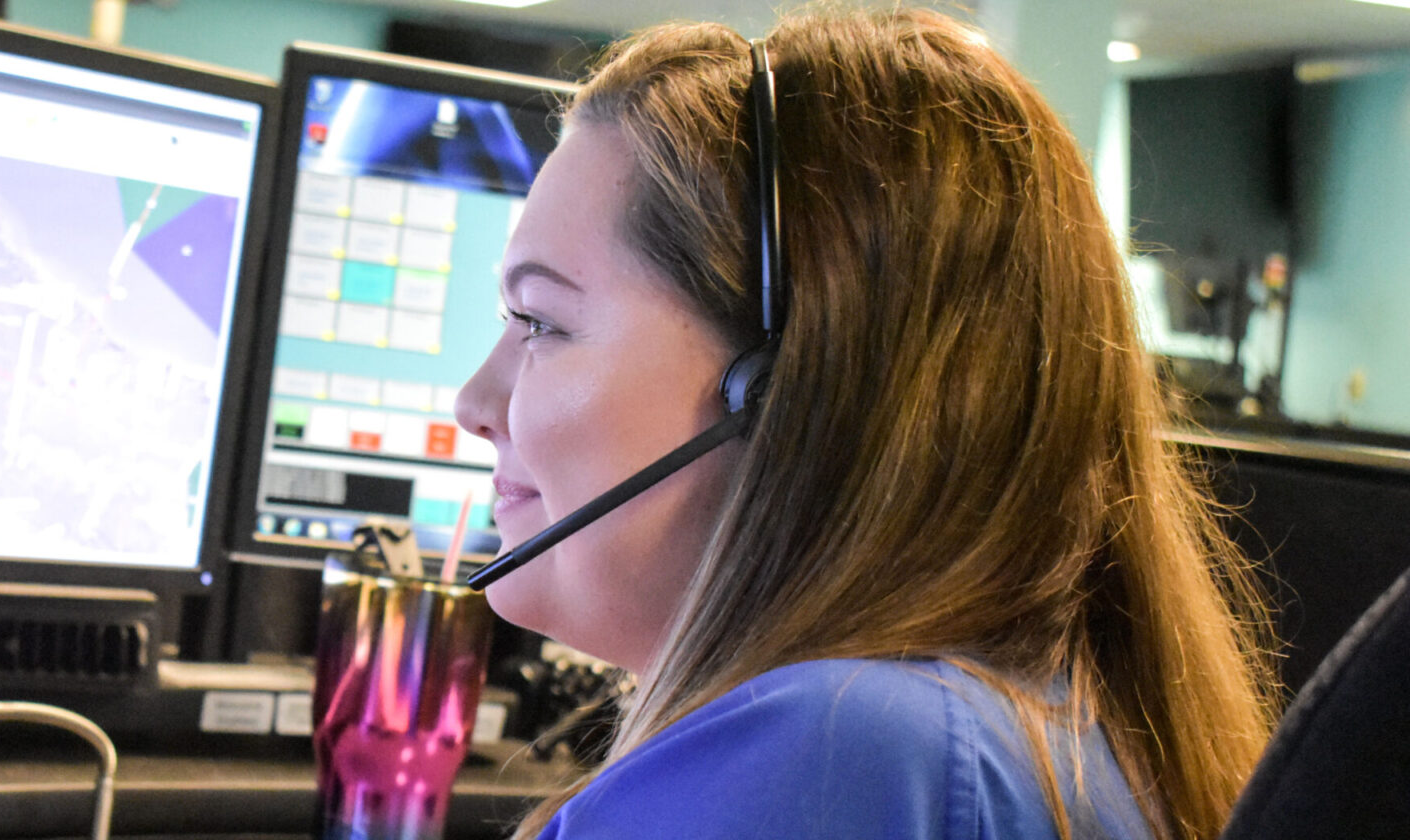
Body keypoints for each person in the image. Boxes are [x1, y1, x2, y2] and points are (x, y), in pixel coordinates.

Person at [452, 8, 1279, 839]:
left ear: (774, 389)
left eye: (541, 322)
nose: (474, 403)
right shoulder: (1027, 728)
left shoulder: (830, 755)